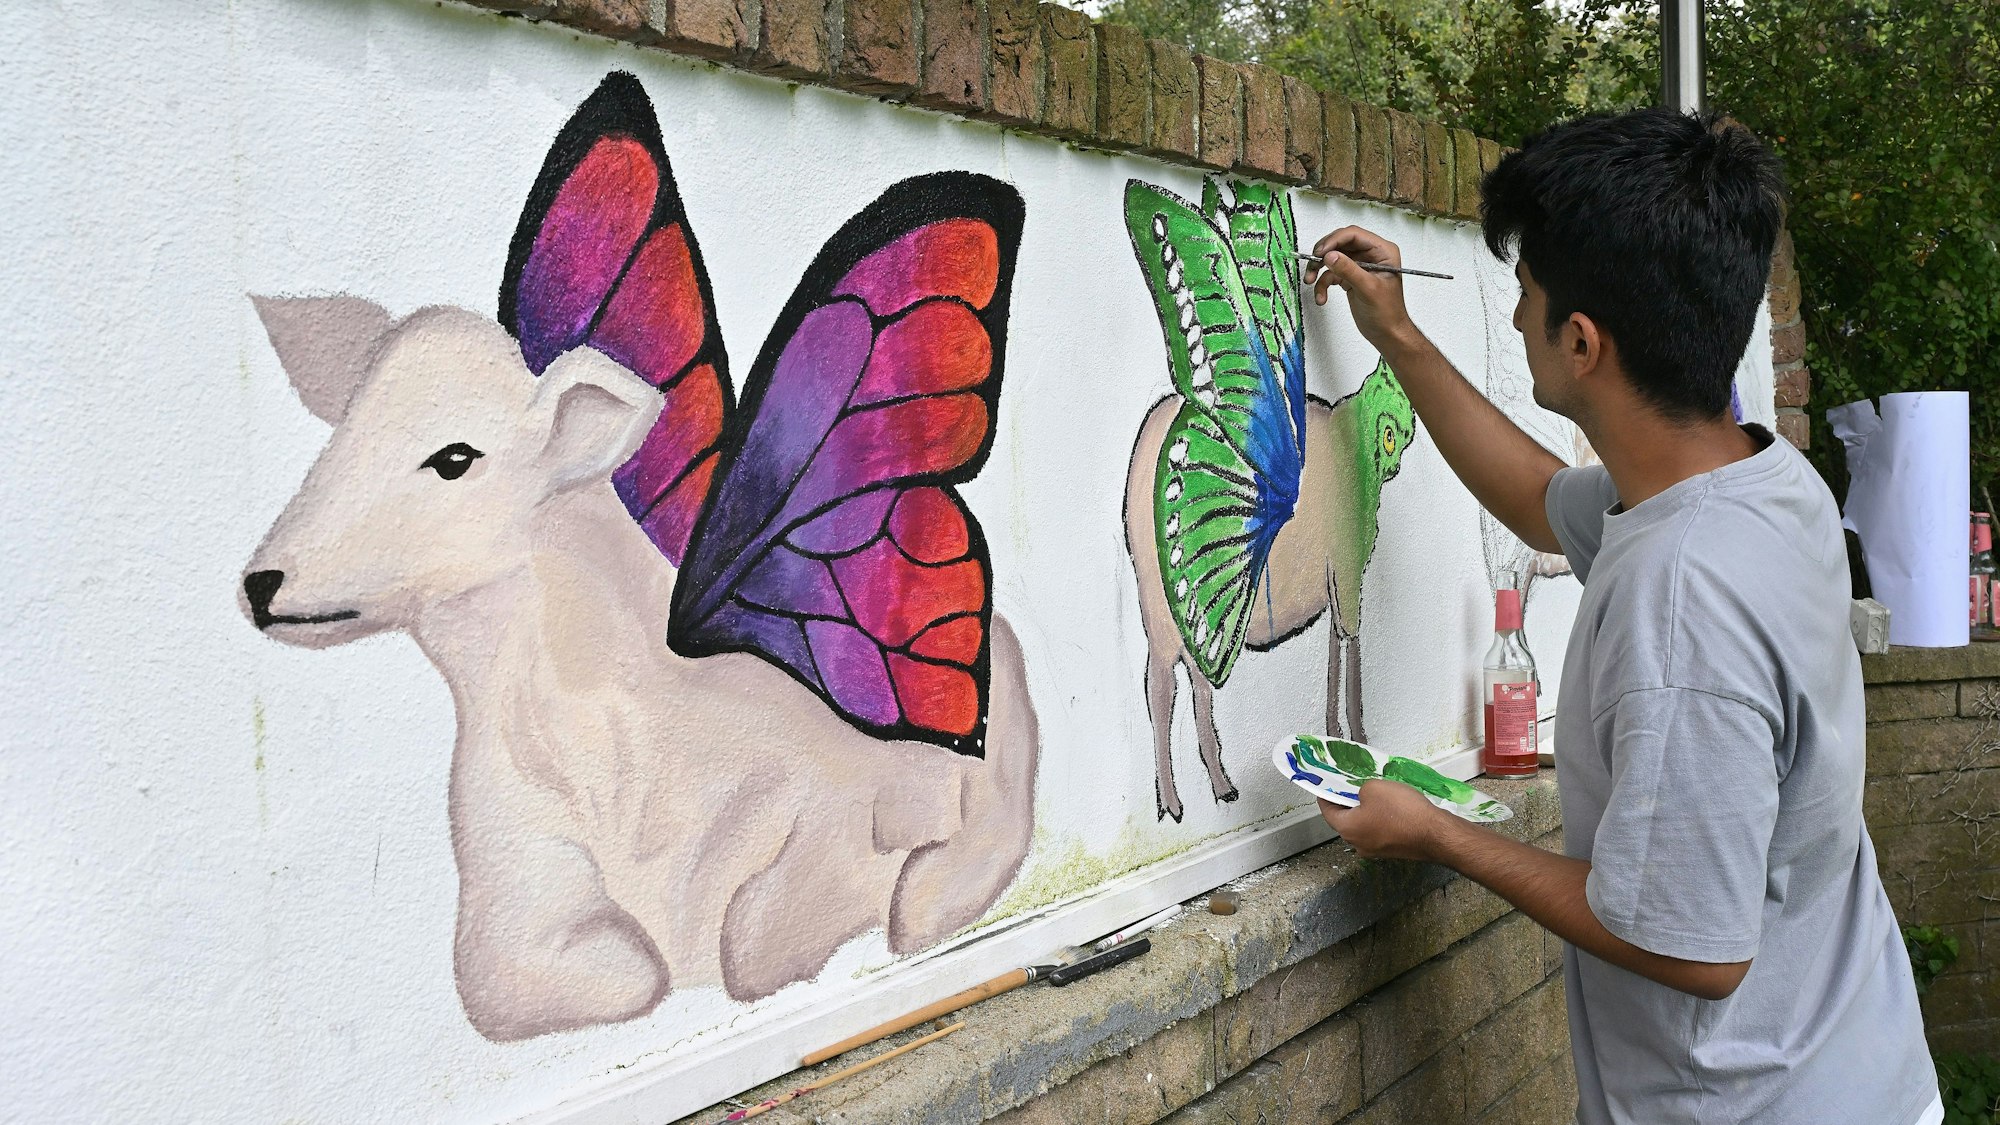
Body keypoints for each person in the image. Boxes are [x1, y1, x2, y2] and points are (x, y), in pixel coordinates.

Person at [1302, 109, 1939, 1125]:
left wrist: (1436, 836)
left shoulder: (1683, 607)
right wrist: (1397, 336)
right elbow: (1539, 500)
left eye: (1524, 296)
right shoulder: (1757, 483)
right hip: (1850, 1068)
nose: (1513, 320)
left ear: (1582, 341)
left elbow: (1694, 950)